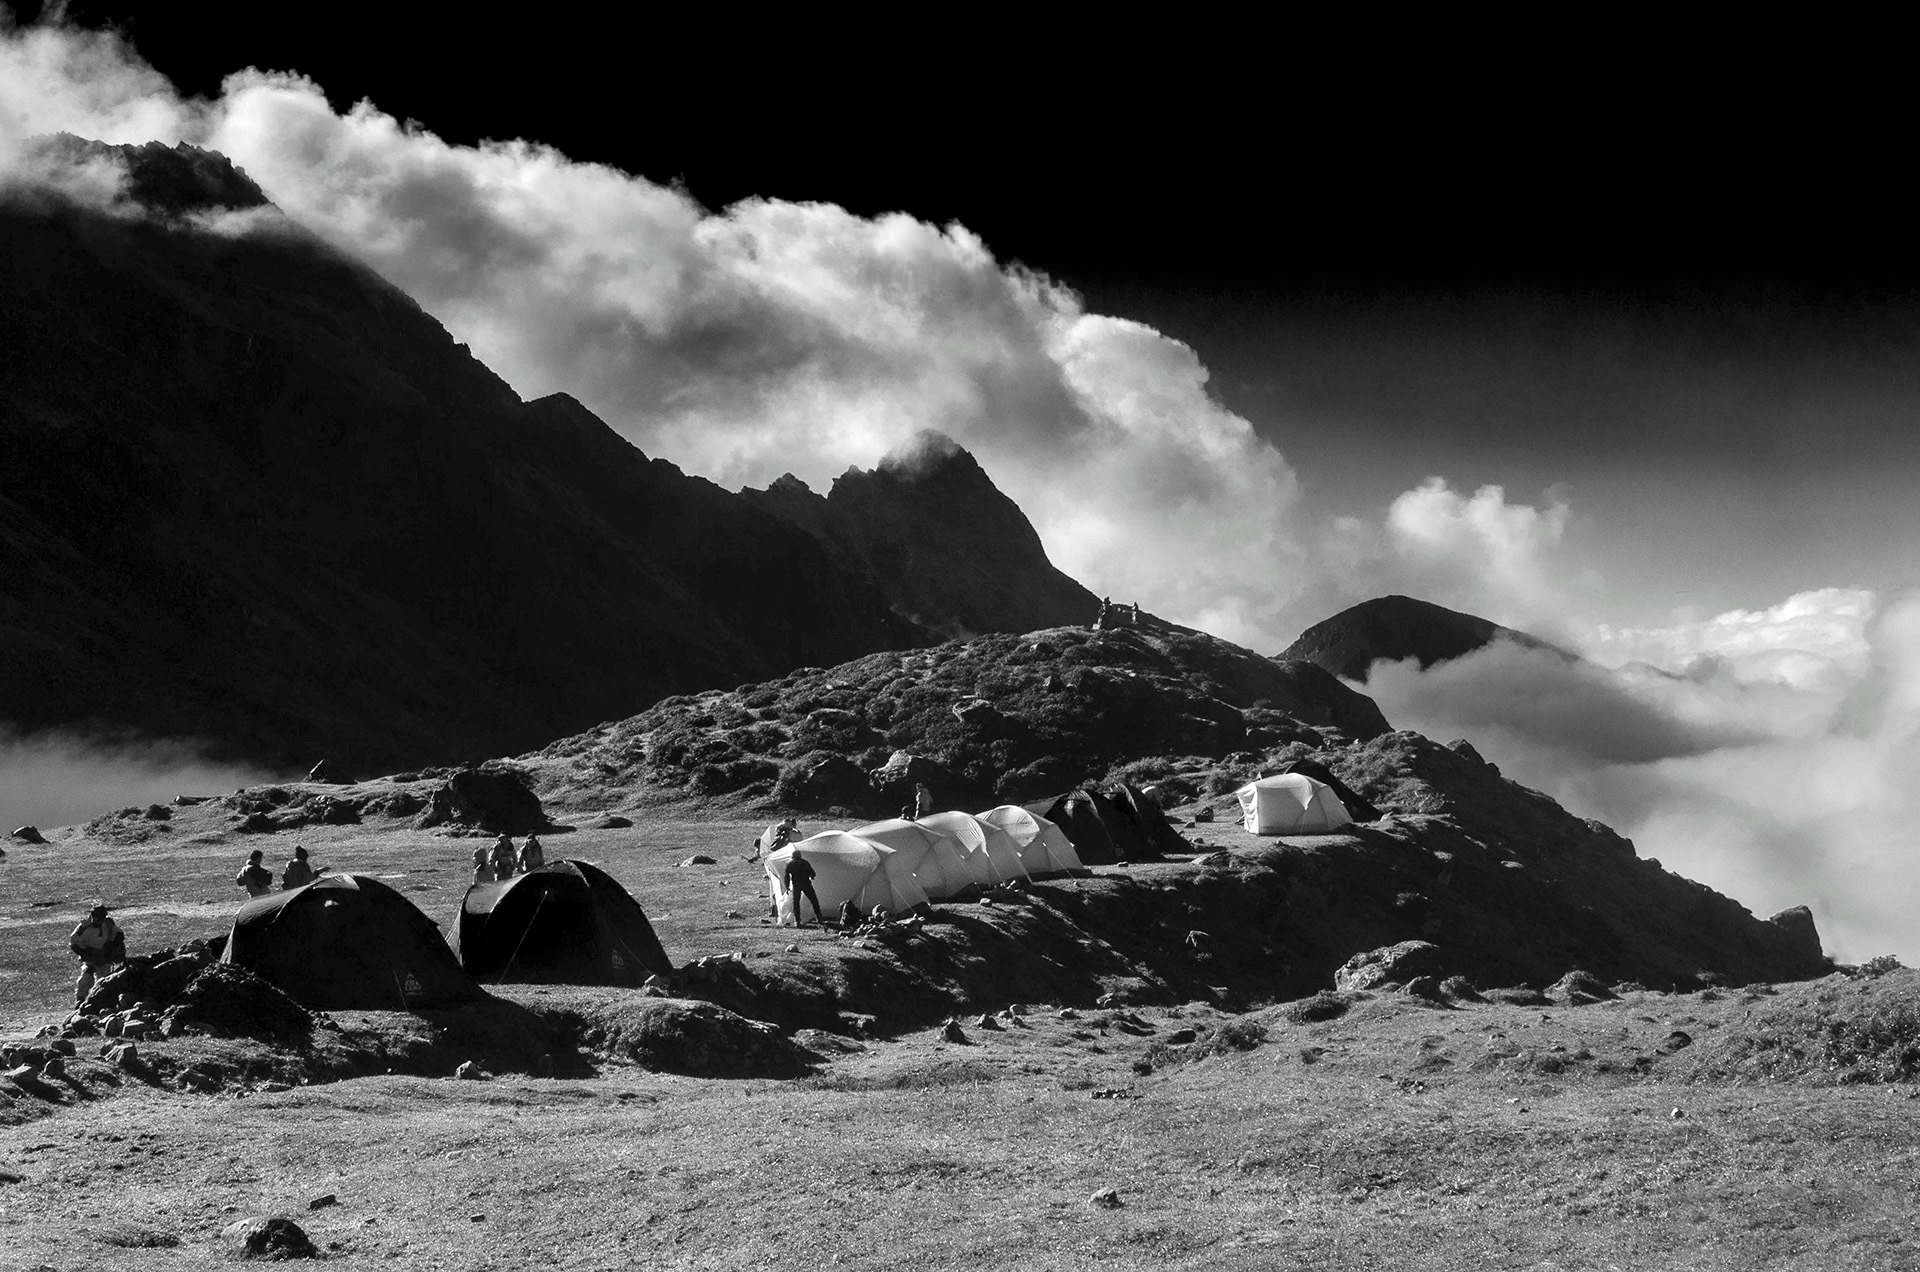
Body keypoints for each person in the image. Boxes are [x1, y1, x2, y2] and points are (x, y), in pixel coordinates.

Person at [68, 903, 124, 1006]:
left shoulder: (108, 925)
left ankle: (104, 1002)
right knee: (86, 977)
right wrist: (86, 952)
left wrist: (110, 948)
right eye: (97, 918)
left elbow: (119, 935)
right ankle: (80, 999)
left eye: (101, 919)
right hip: (90, 957)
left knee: (105, 980)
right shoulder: (84, 927)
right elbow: (74, 942)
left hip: (105, 957)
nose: (98, 921)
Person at [783, 850, 822, 927]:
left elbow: (786, 876)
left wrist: (787, 886)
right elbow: (812, 873)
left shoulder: (790, 864)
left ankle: (797, 921)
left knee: (796, 903)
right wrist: (811, 876)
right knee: (814, 900)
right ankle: (819, 917)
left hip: (796, 885)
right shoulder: (805, 863)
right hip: (806, 884)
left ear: (793, 857)